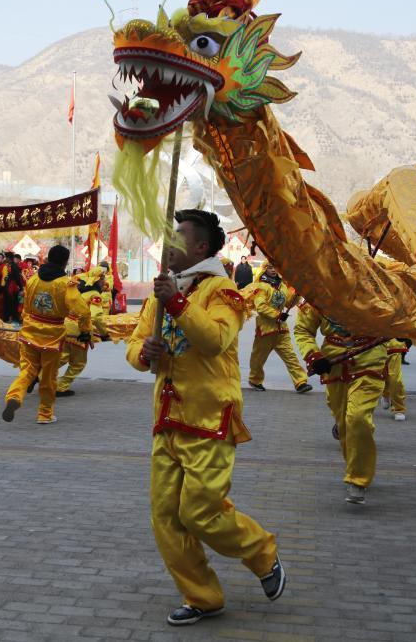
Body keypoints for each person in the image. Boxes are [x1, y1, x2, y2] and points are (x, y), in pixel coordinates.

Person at [125, 209, 284, 626]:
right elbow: (135, 344)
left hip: (210, 419)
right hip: (167, 419)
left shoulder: (222, 291)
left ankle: (261, 552)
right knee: (165, 518)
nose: (170, 243)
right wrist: (144, 354)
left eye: (179, 236)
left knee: (200, 512)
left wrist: (176, 303)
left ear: (200, 247)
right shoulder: (165, 292)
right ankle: (202, 595)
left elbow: (215, 340)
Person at [295, 302, 388, 505]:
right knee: (345, 425)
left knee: (357, 418)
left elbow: (397, 316)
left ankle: (358, 479)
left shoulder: (376, 291)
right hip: (334, 365)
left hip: (369, 360)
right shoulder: (317, 294)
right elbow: (302, 329)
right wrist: (313, 355)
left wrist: (404, 332)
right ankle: (355, 465)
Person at [1, 244, 90, 425]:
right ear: (65, 262)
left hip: (30, 332)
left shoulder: (33, 279)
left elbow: (26, 306)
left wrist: (27, 322)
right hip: (52, 336)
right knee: (49, 376)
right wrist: (86, 331)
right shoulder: (66, 284)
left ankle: (14, 396)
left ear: (49, 258)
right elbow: (83, 311)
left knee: (27, 370)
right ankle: (45, 414)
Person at [247, 262, 312, 393]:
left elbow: (289, 302)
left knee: (290, 356)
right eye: (270, 267)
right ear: (264, 269)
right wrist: (277, 315)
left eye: (275, 267)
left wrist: (297, 294)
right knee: (258, 358)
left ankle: (300, 382)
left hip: (281, 329)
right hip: (265, 330)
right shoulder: (261, 286)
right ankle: (255, 380)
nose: (273, 270)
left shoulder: (282, 285)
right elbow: (261, 307)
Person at [55, 270, 108, 396]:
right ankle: (61, 387)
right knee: (78, 363)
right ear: (96, 281)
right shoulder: (94, 295)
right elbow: (95, 317)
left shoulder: (78, 292)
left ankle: (40, 375)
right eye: (102, 279)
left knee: (62, 357)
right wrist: (104, 333)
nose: (104, 282)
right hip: (79, 331)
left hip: (65, 327)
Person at [381, 339, 408, 421]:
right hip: (373, 346)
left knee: (395, 379)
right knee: (378, 375)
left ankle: (398, 408)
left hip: (394, 345)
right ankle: (385, 394)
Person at [2, 251, 24, 324]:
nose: (5, 259)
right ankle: (10, 317)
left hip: (12, 287)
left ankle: (10, 318)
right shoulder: (10, 265)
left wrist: (21, 287)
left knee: (11, 302)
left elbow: (18, 278)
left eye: (6, 257)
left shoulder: (13, 266)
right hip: (9, 285)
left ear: (9, 258)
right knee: (10, 302)